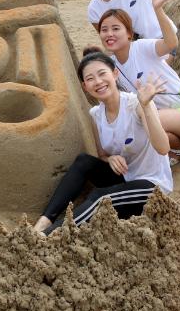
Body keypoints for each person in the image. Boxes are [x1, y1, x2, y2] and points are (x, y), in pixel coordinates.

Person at [31, 49, 172, 234]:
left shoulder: (136, 104)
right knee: (84, 162)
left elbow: (163, 148)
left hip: (152, 185)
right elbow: (102, 155)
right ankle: (43, 223)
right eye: (90, 79)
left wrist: (146, 106)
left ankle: (50, 236)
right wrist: (111, 158)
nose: (98, 82)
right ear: (84, 86)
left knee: (99, 197)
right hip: (125, 177)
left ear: (115, 74)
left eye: (102, 74)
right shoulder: (96, 115)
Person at [96, 0, 180, 164]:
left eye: (116, 29)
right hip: (162, 116)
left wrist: (158, 10)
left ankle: (172, 153)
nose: (109, 34)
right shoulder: (114, 66)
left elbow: (171, 44)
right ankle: (176, 149)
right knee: (141, 120)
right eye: (104, 30)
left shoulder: (141, 47)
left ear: (129, 34)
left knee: (140, 123)